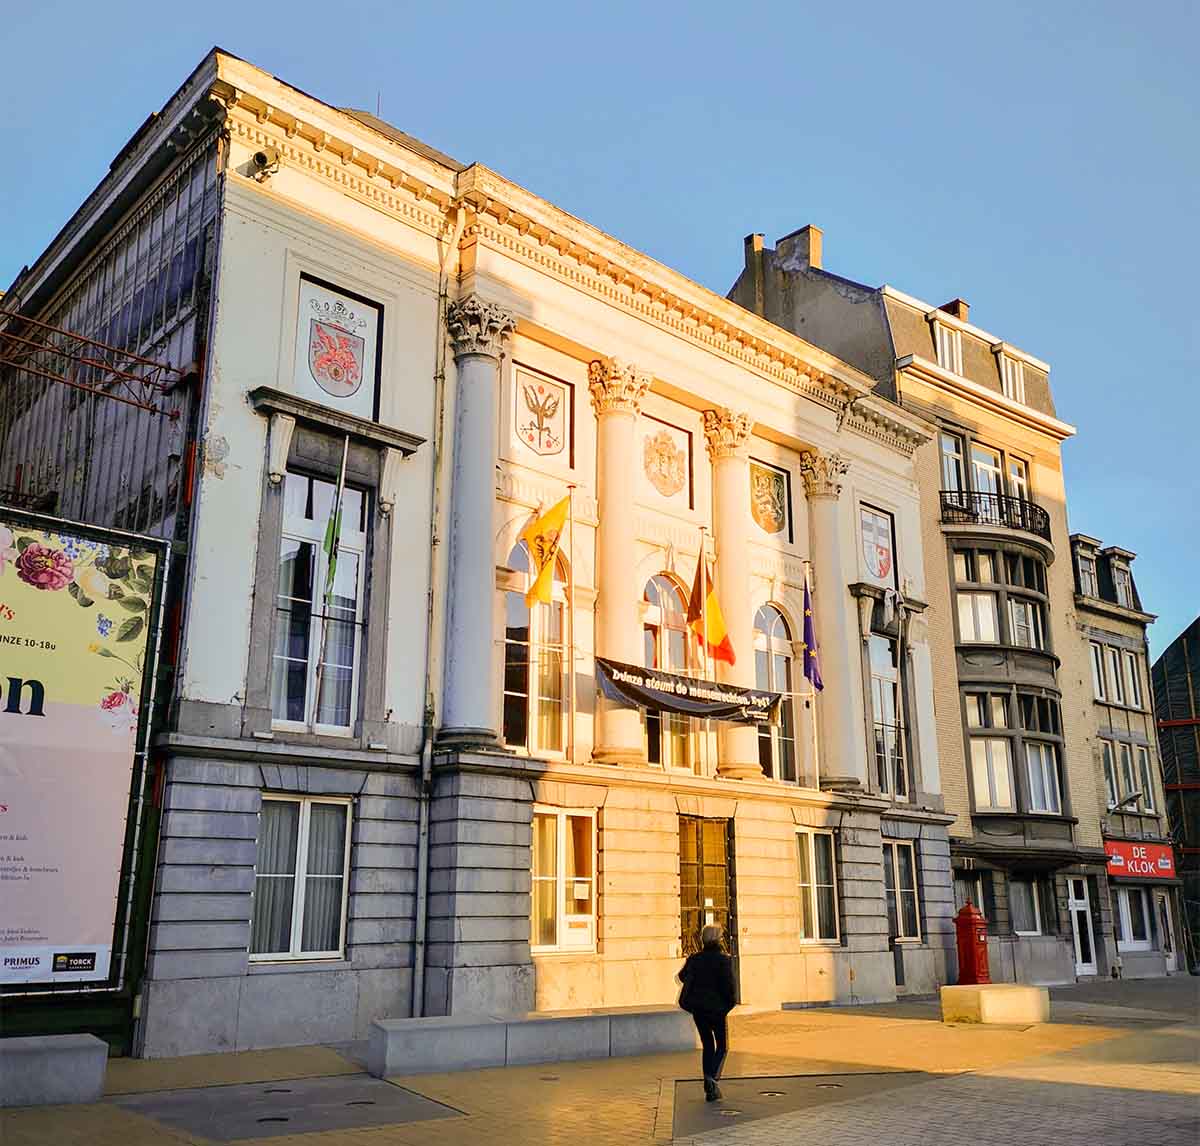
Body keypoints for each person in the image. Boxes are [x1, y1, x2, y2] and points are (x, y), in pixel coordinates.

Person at [677, 923, 736, 1102]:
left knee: (708, 1045)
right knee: (722, 1046)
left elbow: (681, 976)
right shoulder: (723, 960)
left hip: (698, 1009)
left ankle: (709, 1084)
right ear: (718, 939)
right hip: (717, 1010)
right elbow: (729, 988)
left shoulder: (695, 959)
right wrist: (728, 1005)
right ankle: (711, 1079)